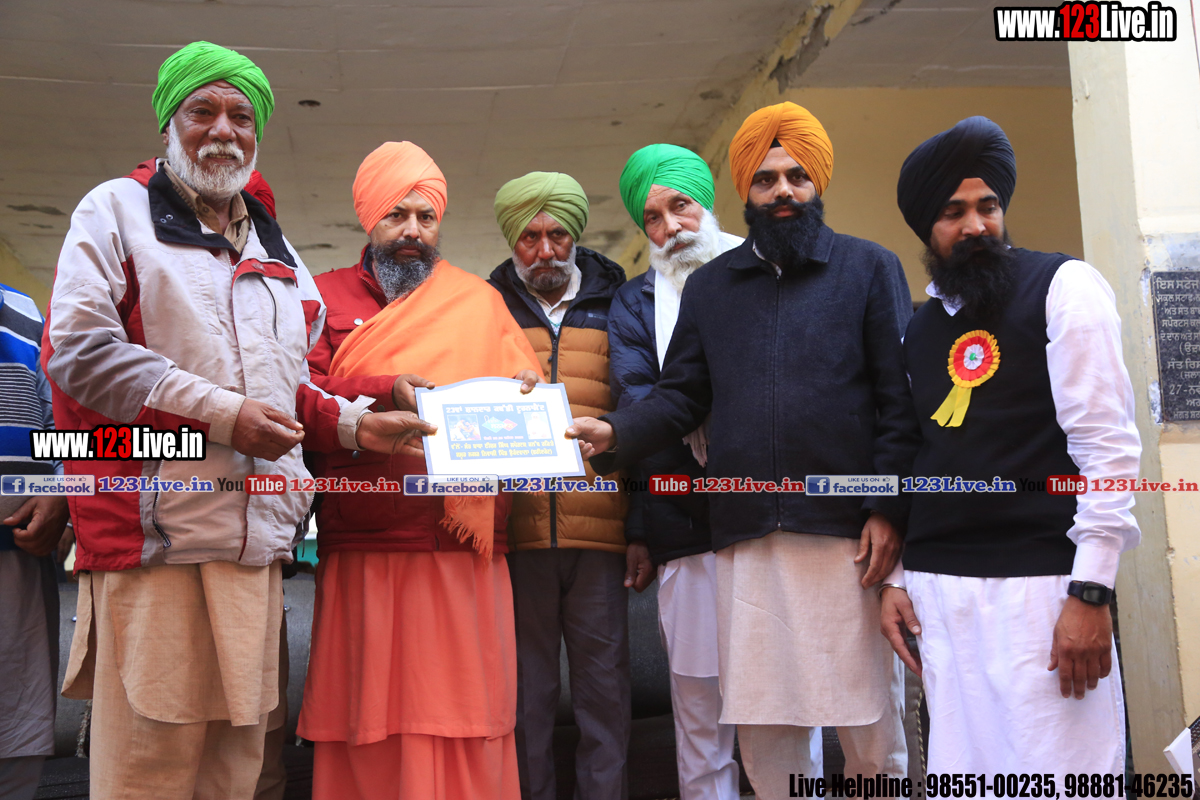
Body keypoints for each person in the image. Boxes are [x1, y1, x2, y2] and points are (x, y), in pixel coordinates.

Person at [42, 42, 431, 800]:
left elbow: (293, 387)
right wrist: (223, 417)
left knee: (244, 772)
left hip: (255, 551)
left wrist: (357, 426)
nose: (224, 130)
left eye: (241, 117)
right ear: (168, 123)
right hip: (158, 546)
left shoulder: (277, 247)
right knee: (151, 772)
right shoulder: (114, 210)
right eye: (203, 112)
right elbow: (80, 354)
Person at [567, 102, 917, 799]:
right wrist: (617, 433)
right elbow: (680, 395)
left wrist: (887, 509)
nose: (782, 191)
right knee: (768, 734)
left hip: (847, 537)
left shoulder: (869, 268)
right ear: (746, 193)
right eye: (765, 179)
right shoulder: (713, 287)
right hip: (746, 540)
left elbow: (898, 405)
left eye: (795, 177)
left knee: (870, 731)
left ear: (817, 183)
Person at [881, 116, 1141, 776]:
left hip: (1045, 589)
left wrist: (1091, 592)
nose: (975, 226)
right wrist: (898, 579)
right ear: (926, 228)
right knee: (964, 776)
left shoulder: (1064, 287)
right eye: (953, 212)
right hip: (941, 594)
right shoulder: (919, 329)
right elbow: (920, 457)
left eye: (988, 206)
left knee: (1064, 776)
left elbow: (1108, 451)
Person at [299, 141, 543, 800]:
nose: (412, 231)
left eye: (426, 217)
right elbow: (300, 396)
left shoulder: (479, 302)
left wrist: (524, 400)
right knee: (367, 717)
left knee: (467, 714)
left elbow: (529, 411)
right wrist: (383, 389)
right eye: (397, 214)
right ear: (369, 218)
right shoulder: (319, 298)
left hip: (463, 549)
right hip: (366, 545)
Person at [612, 142, 815, 799]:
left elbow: (792, 383)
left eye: (681, 207)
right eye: (653, 218)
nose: (671, 227)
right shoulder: (635, 303)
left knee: (785, 707)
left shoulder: (769, 272)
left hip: (773, 522)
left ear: (706, 202)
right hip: (687, 526)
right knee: (701, 713)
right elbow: (640, 404)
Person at [487, 171, 631, 800]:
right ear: (512, 240)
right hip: (517, 537)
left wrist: (643, 529)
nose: (544, 251)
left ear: (576, 236)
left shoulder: (622, 302)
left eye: (558, 236)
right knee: (524, 698)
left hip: (602, 535)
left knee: (606, 695)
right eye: (530, 237)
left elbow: (642, 414)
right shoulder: (485, 308)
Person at [0, 284, 70, 800]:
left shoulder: (22, 310)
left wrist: (62, 491)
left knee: (14, 738)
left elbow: (62, 427)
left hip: (16, 563)